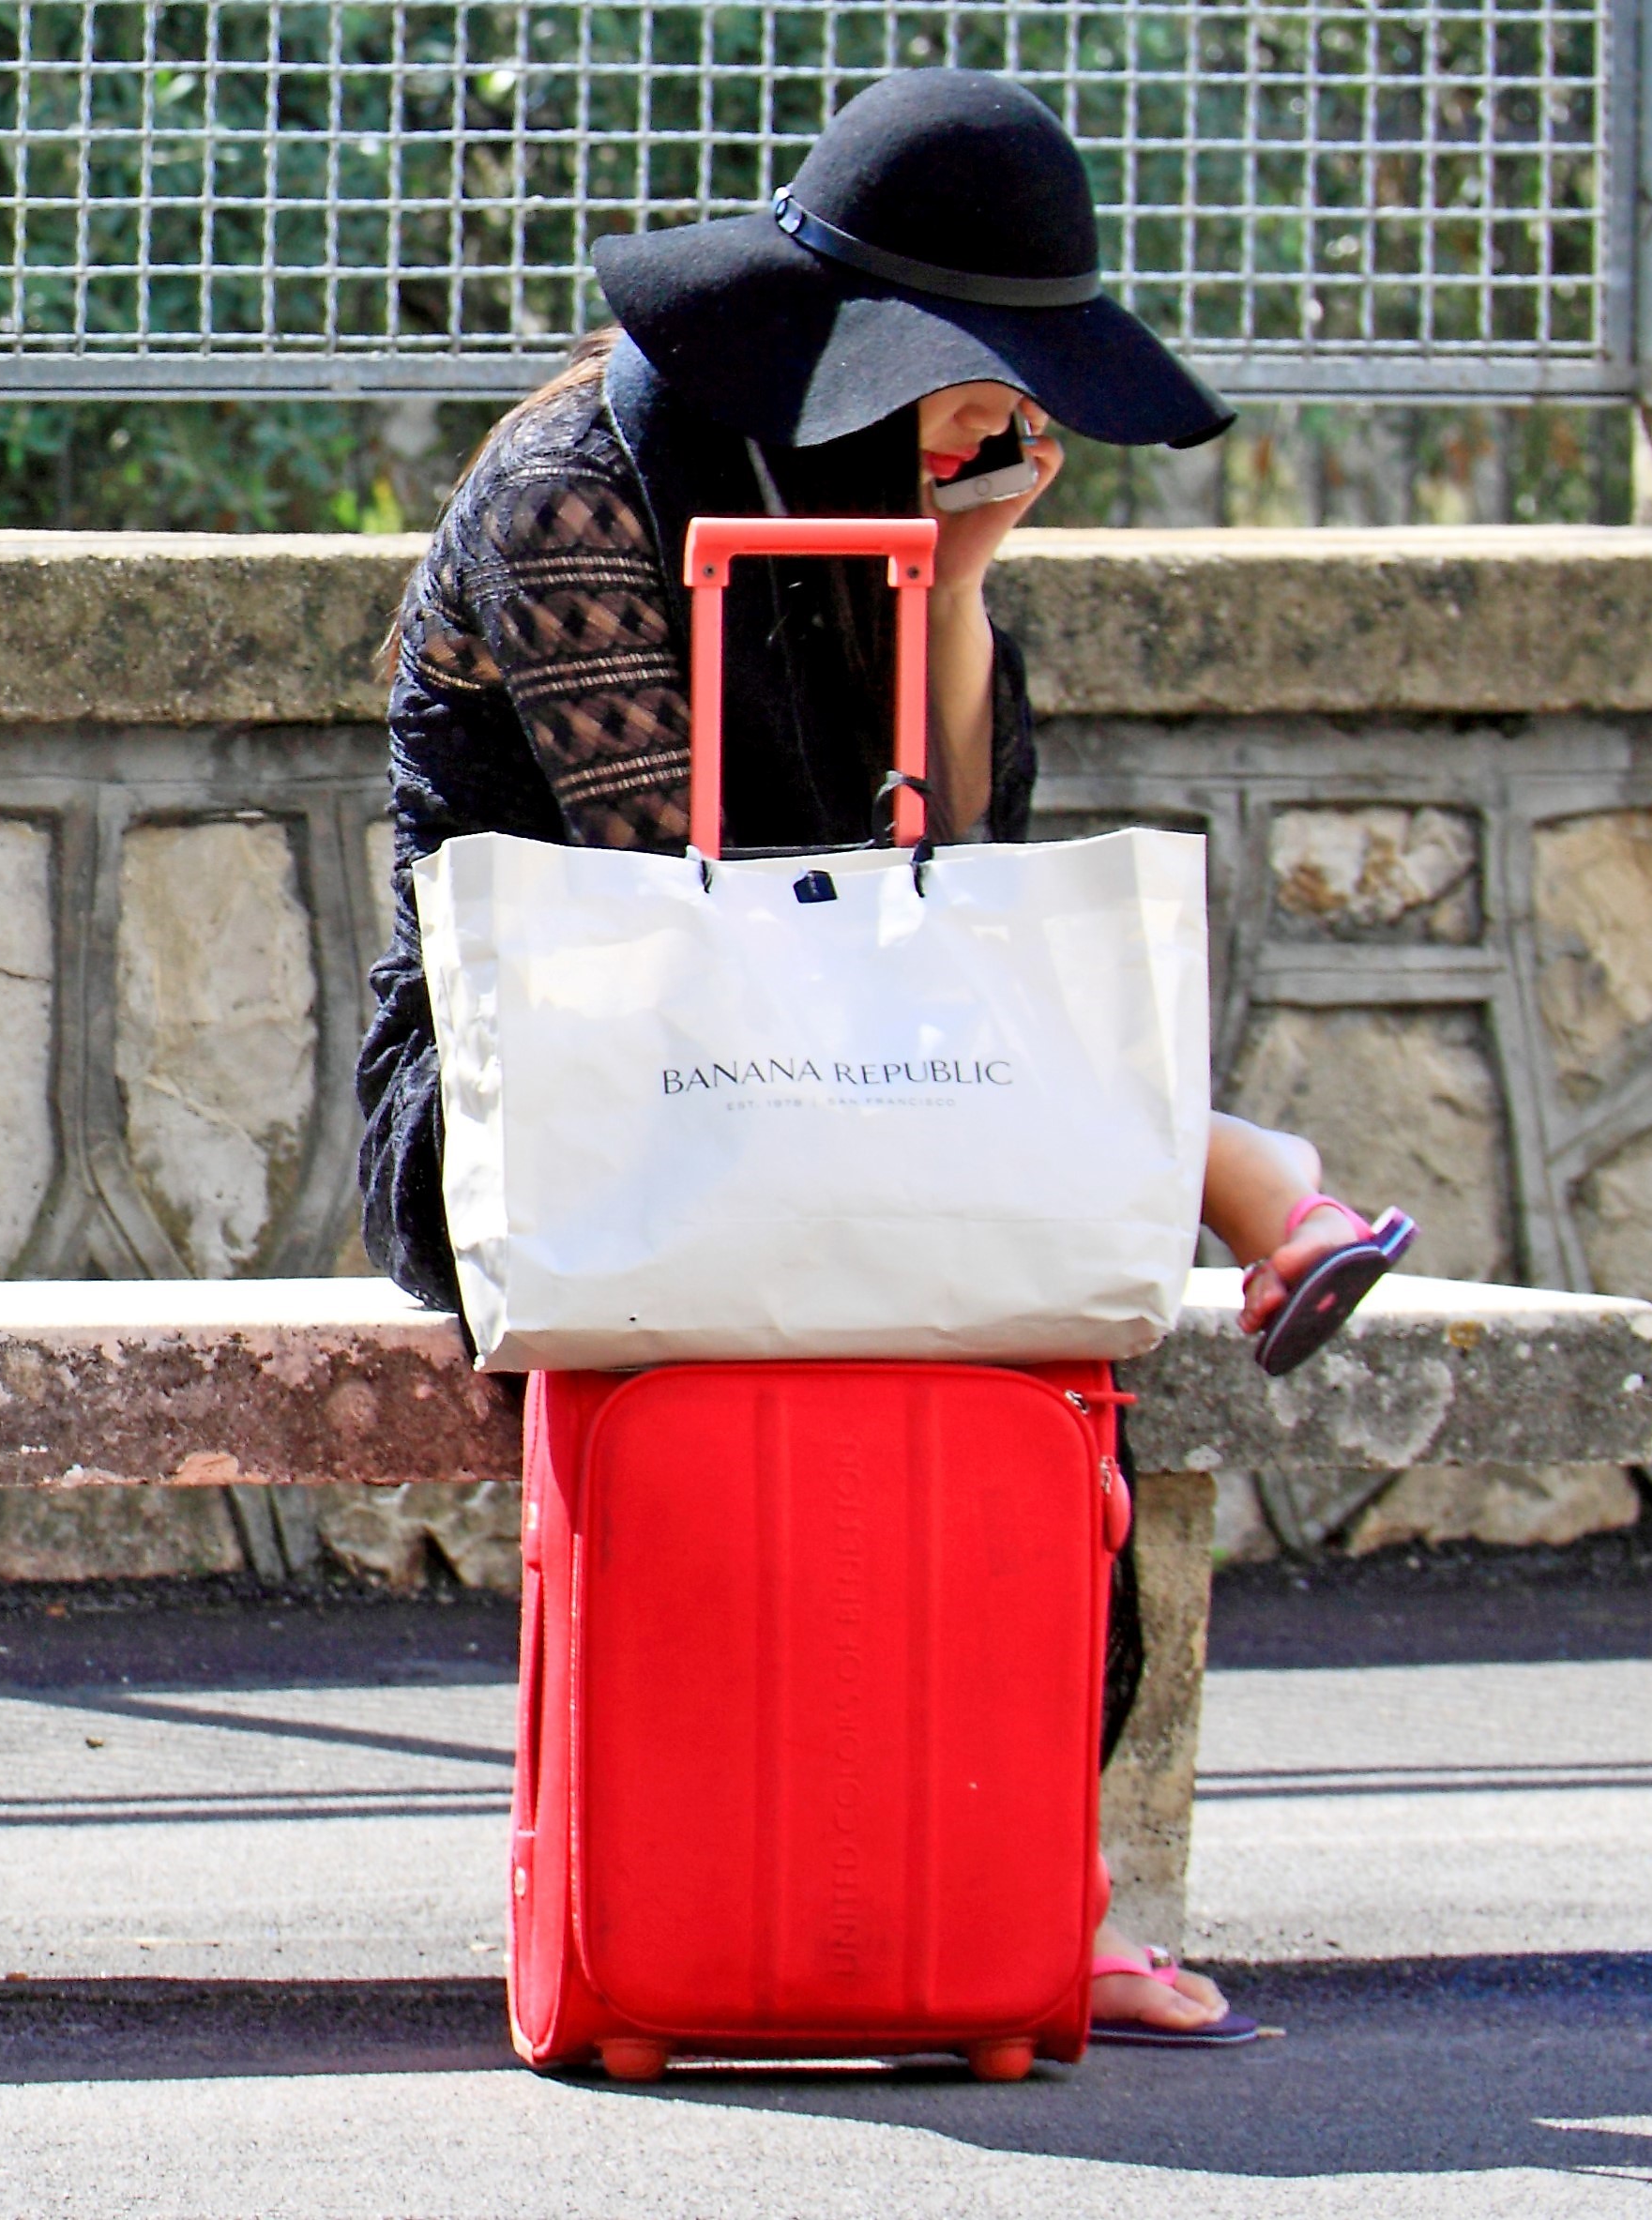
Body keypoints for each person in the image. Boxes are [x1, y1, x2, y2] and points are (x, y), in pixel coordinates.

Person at [353, 68, 1412, 2046]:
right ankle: (1239, 1173)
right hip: (540, 1109)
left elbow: (957, 890)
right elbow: (696, 927)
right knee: (948, 1211)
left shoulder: (864, 494)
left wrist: (968, 583)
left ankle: (1025, 1886)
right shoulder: (567, 492)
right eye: (979, 373)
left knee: (1023, 1328)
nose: (999, 421)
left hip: (820, 1073)